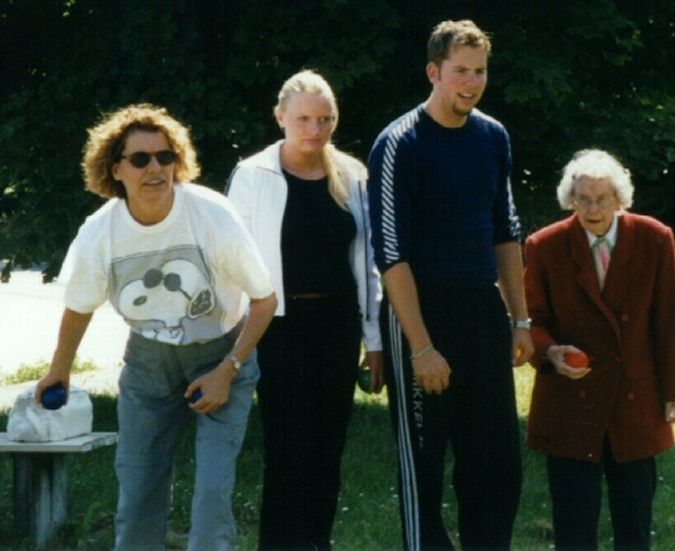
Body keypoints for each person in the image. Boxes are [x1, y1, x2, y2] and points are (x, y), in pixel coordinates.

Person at [35, 103, 277, 551]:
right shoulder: (100, 232)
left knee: (211, 495)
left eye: (165, 157)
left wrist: (228, 370)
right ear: (116, 169)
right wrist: (59, 370)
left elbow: (265, 300)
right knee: (138, 492)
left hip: (222, 352)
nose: (155, 168)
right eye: (140, 159)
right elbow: (79, 307)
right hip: (148, 363)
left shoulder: (211, 214)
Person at [367, 19, 533, 550]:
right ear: (434, 72)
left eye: (479, 71)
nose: (471, 82)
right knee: (424, 466)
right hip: (421, 313)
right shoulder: (399, 143)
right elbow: (391, 254)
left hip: (482, 309)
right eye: (460, 70)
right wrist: (421, 348)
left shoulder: (493, 136)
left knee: (497, 462)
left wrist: (521, 320)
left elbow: (506, 233)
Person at [226, 69, 383, 550]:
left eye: (325, 119)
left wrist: (374, 341)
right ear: (280, 117)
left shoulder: (353, 176)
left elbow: (368, 264)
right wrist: (232, 345)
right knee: (287, 450)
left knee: (327, 451)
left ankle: (318, 543)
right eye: (303, 119)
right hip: (278, 328)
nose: (315, 129)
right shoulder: (253, 175)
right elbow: (231, 261)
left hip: (338, 326)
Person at [523, 148, 675, 550]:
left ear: (620, 199)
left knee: (634, 525)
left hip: (633, 399)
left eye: (602, 199)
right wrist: (550, 353)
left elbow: (668, 319)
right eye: (583, 199)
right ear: (570, 200)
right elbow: (532, 320)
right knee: (573, 527)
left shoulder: (654, 238)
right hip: (570, 401)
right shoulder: (545, 245)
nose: (593, 209)